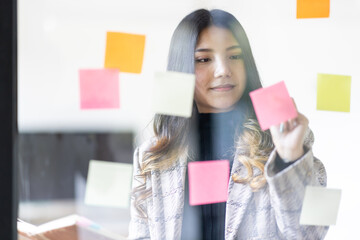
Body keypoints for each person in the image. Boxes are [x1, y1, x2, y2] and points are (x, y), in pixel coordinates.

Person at [128, 9, 328, 240]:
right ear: (182, 70)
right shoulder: (152, 155)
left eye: (234, 56)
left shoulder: (287, 139)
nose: (223, 70)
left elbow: (314, 233)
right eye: (203, 59)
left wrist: (289, 156)